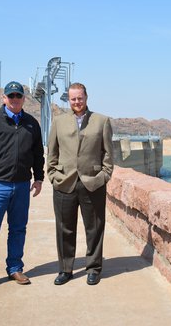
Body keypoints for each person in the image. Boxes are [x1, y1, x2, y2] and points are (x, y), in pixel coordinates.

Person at [0, 81, 45, 294]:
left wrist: (38, 178)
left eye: (18, 96)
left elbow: (37, 154)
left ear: (23, 99)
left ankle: (15, 268)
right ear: (4, 98)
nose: (14, 99)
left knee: (18, 229)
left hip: (22, 186)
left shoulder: (31, 123)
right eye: (10, 96)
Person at [47, 82, 113, 286]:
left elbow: (108, 155)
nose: (77, 102)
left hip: (92, 184)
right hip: (64, 183)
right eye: (73, 98)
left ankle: (93, 268)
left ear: (86, 97)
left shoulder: (102, 121)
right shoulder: (58, 122)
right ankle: (65, 269)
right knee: (64, 229)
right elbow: (52, 153)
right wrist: (53, 176)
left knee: (94, 228)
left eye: (80, 98)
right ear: (69, 99)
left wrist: (103, 177)